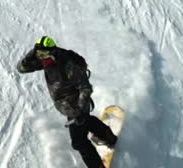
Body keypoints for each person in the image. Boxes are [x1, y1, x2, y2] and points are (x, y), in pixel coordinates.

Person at [16, 36, 118, 168]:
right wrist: (29, 57)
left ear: (52, 52)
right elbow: (21, 69)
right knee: (86, 121)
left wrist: (80, 110)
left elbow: (85, 87)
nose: (40, 58)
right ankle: (108, 137)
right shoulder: (46, 60)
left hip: (78, 104)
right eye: (38, 54)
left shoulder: (67, 66)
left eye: (43, 54)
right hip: (68, 106)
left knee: (79, 142)